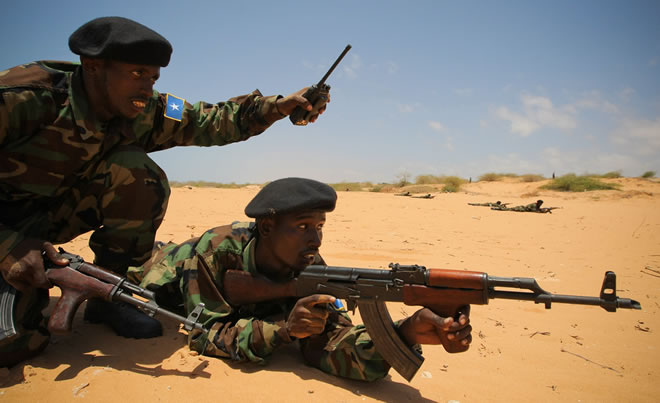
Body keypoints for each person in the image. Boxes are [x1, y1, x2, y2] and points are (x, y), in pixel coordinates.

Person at [0, 17, 328, 366]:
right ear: (93, 66)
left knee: (139, 174)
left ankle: (108, 295)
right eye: (137, 74)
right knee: (14, 346)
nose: (147, 88)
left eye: (154, 77)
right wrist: (8, 244)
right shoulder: (25, 98)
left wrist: (277, 107)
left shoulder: (144, 107)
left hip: (48, 220)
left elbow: (208, 120)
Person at [126, 177, 472, 381]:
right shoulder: (216, 252)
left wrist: (406, 333)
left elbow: (332, 343)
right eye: (303, 226)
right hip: (156, 273)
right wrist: (284, 330)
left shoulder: (309, 264)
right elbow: (205, 334)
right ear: (266, 227)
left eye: (320, 227)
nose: (316, 240)